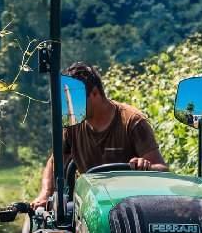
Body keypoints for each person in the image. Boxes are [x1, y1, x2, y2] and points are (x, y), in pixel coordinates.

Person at [32, 62, 167, 208]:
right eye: (68, 101)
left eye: (76, 100)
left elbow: (162, 169)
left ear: (95, 93)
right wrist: (45, 193)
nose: (71, 107)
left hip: (131, 205)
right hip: (90, 203)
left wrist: (145, 166)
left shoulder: (132, 121)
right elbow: (55, 162)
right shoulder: (72, 124)